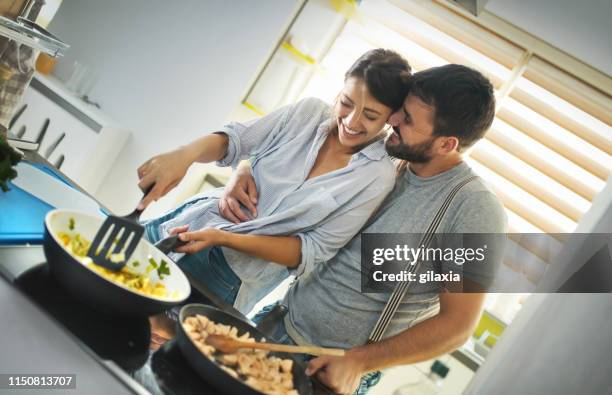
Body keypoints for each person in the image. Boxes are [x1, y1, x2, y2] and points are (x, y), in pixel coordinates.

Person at [219, 64, 507, 394]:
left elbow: (457, 326)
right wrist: (243, 168)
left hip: (329, 372)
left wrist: (361, 361)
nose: (393, 120)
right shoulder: (381, 155)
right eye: (401, 110)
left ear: (446, 144)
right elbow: (290, 153)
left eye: (408, 120)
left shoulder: (474, 208)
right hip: (275, 321)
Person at [138, 49, 411, 313]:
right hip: (189, 222)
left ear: (391, 118)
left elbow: (308, 252)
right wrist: (185, 155)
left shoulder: (377, 177)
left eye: (370, 115)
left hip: (227, 277)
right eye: (346, 103)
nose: (351, 121)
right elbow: (236, 140)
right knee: (103, 285)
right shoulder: (308, 113)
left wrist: (223, 237)